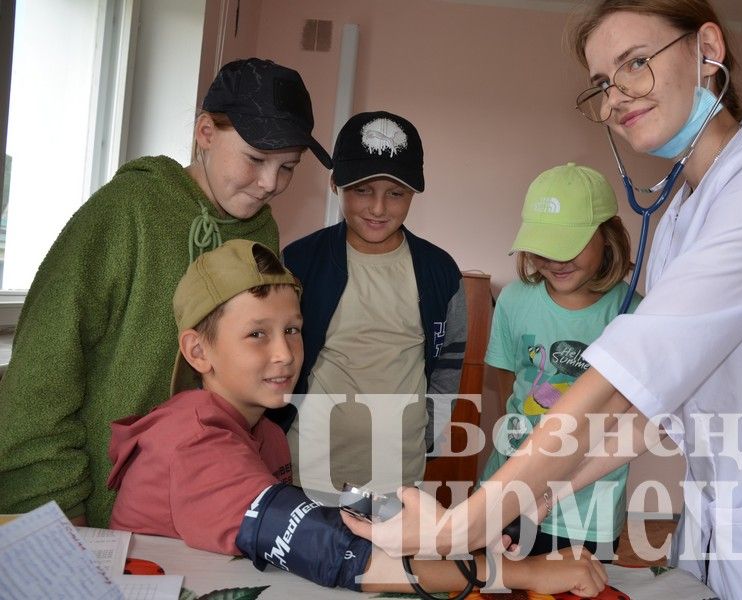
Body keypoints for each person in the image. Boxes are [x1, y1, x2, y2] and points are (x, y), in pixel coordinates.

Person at [343, 2, 742, 599]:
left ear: (707, 50)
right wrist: (542, 492)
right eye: (602, 85)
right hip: (727, 501)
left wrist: (464, 523)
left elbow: (627, 370)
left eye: (636, 63)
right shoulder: (682, 217)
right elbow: (647, 413)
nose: (616, 97)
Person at [107, 239, 607, 597]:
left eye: (294, 330)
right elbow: (330, 550)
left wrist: (448, 538)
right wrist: (525, 573)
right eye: (257, 335)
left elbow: (326, 529)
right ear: (198, 351)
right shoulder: (193, 440)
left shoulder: (265, 434)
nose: (285, 354)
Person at [0, 57, 333, 527]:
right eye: (256, 159)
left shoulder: (262, 234)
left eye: (287, 167)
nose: (269, 184)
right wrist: (54, 506)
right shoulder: (128, 211)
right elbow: (45, 368)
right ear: (205, 133)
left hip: (202, 505)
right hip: (91, 509)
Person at [280, 110, 467, 495]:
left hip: (397, 476)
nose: (378, 208)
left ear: (413, 193)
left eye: (395, 193)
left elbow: (448, 366)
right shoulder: (297, 264)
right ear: (335, 184)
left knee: (385, 558)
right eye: (362, 190)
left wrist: (427, 439)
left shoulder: (440, 273)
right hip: (303, 469)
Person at [480, 162, 640, 559]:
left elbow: (633, 421)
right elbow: (508, 388)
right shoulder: (514, 302)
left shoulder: (632, 315)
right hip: (509, 494)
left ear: (609, 238)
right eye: (543, 245)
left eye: (570, 244)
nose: (555, 259)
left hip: (588, 511)